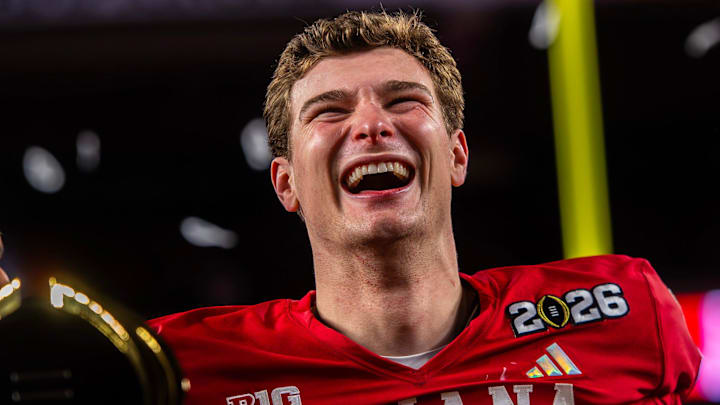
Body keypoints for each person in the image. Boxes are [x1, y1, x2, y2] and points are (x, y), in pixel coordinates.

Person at [0, 10, 700, 405]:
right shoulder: (169, 371)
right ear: (286, 183)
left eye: (403, 100)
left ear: (456, 154)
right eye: (330, 111)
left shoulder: (627, 307)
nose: (371, 125)